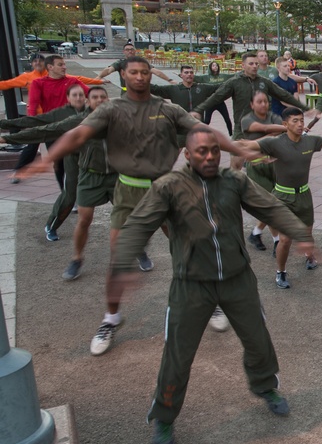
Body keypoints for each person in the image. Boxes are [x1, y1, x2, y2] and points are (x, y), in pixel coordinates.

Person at [109, 129, 314, 444]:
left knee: (258, 339)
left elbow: (270, 207)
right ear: (186, 155)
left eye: (214, 151)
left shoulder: (235, 180)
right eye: (201, 152)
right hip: (191, 283)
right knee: (178, 354)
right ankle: (164, 416)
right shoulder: (168, 187)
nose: (209, 157)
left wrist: (300, 234)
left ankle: (265, 387)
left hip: (237, 279)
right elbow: (138, 225)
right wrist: (122, 267)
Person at [25, 57, 247, 356]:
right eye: (134, 72)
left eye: (145, 72)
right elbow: (77, 134)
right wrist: (47, 160)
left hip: (166, 189)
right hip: (128, 191)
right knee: (118, 258)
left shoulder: (167, 108)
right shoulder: (111, 109)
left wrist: (239, 148)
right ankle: (111, 318)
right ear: (123, 75)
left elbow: (204, 131)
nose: (140, 77)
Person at [238, 107, 322, 288]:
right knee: (285, 239)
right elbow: (245, 145)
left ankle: (309, 257)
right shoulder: (275, 143)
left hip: (304, 195)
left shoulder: (309, 142)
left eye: (301, 120)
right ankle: (281, 273)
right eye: (295, 121)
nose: (300, 124)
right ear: (285, 124)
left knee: (307, 233)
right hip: (283, 196)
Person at [0, 84, 92, 241]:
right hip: (73, 157)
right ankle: (51, 225)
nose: (78, 98)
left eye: (81, 95)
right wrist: (5, 127)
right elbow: (37, 124)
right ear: (68, 98)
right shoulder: (61, 114)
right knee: (69, 195)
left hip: (95, 159)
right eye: (74, 95)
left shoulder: (95, 112)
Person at [193, 52, 307, 144]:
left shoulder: (264, 81)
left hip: (263, 125)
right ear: (243, 65)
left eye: (256, 64)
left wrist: (304, 108)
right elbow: (216, 97)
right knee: (237, 159)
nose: (255, 66)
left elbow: (284, 95)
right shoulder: (234, 82)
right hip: (242, 127)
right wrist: (198, 110)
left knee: (262, 160)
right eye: (251, 64)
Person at [241, 90, 287, 253]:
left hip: (273, 164)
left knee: (274, 202)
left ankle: (256, 233)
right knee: (270, 204)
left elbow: (281, 132)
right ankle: (276, 241)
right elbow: (252, 142)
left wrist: (273, 134)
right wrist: (272, 133)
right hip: (256, 165)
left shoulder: (274, 117)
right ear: (252, 105)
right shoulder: (247, 120)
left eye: (266, 101)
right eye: (259, 102)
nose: (263, 104)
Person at [150, 64, 224, 131]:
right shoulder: (173, 89)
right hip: (180, 129)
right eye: (186, 72)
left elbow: (221, 86)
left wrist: (234, 79)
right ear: (181, 75)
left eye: (191, 72)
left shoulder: (202, 88)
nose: (189, 74)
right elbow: (155, 89)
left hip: (198, 128)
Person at [97, 43, 174, 85]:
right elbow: (109, 70)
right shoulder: (120, 63)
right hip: (126, 93)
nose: (130, 51)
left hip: (141, 91)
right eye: (127, 50)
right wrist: (99, 77)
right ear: (124, 52)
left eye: (131, 49)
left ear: (135, 51)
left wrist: (170, 80)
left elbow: (156, 72)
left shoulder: (142, 62)